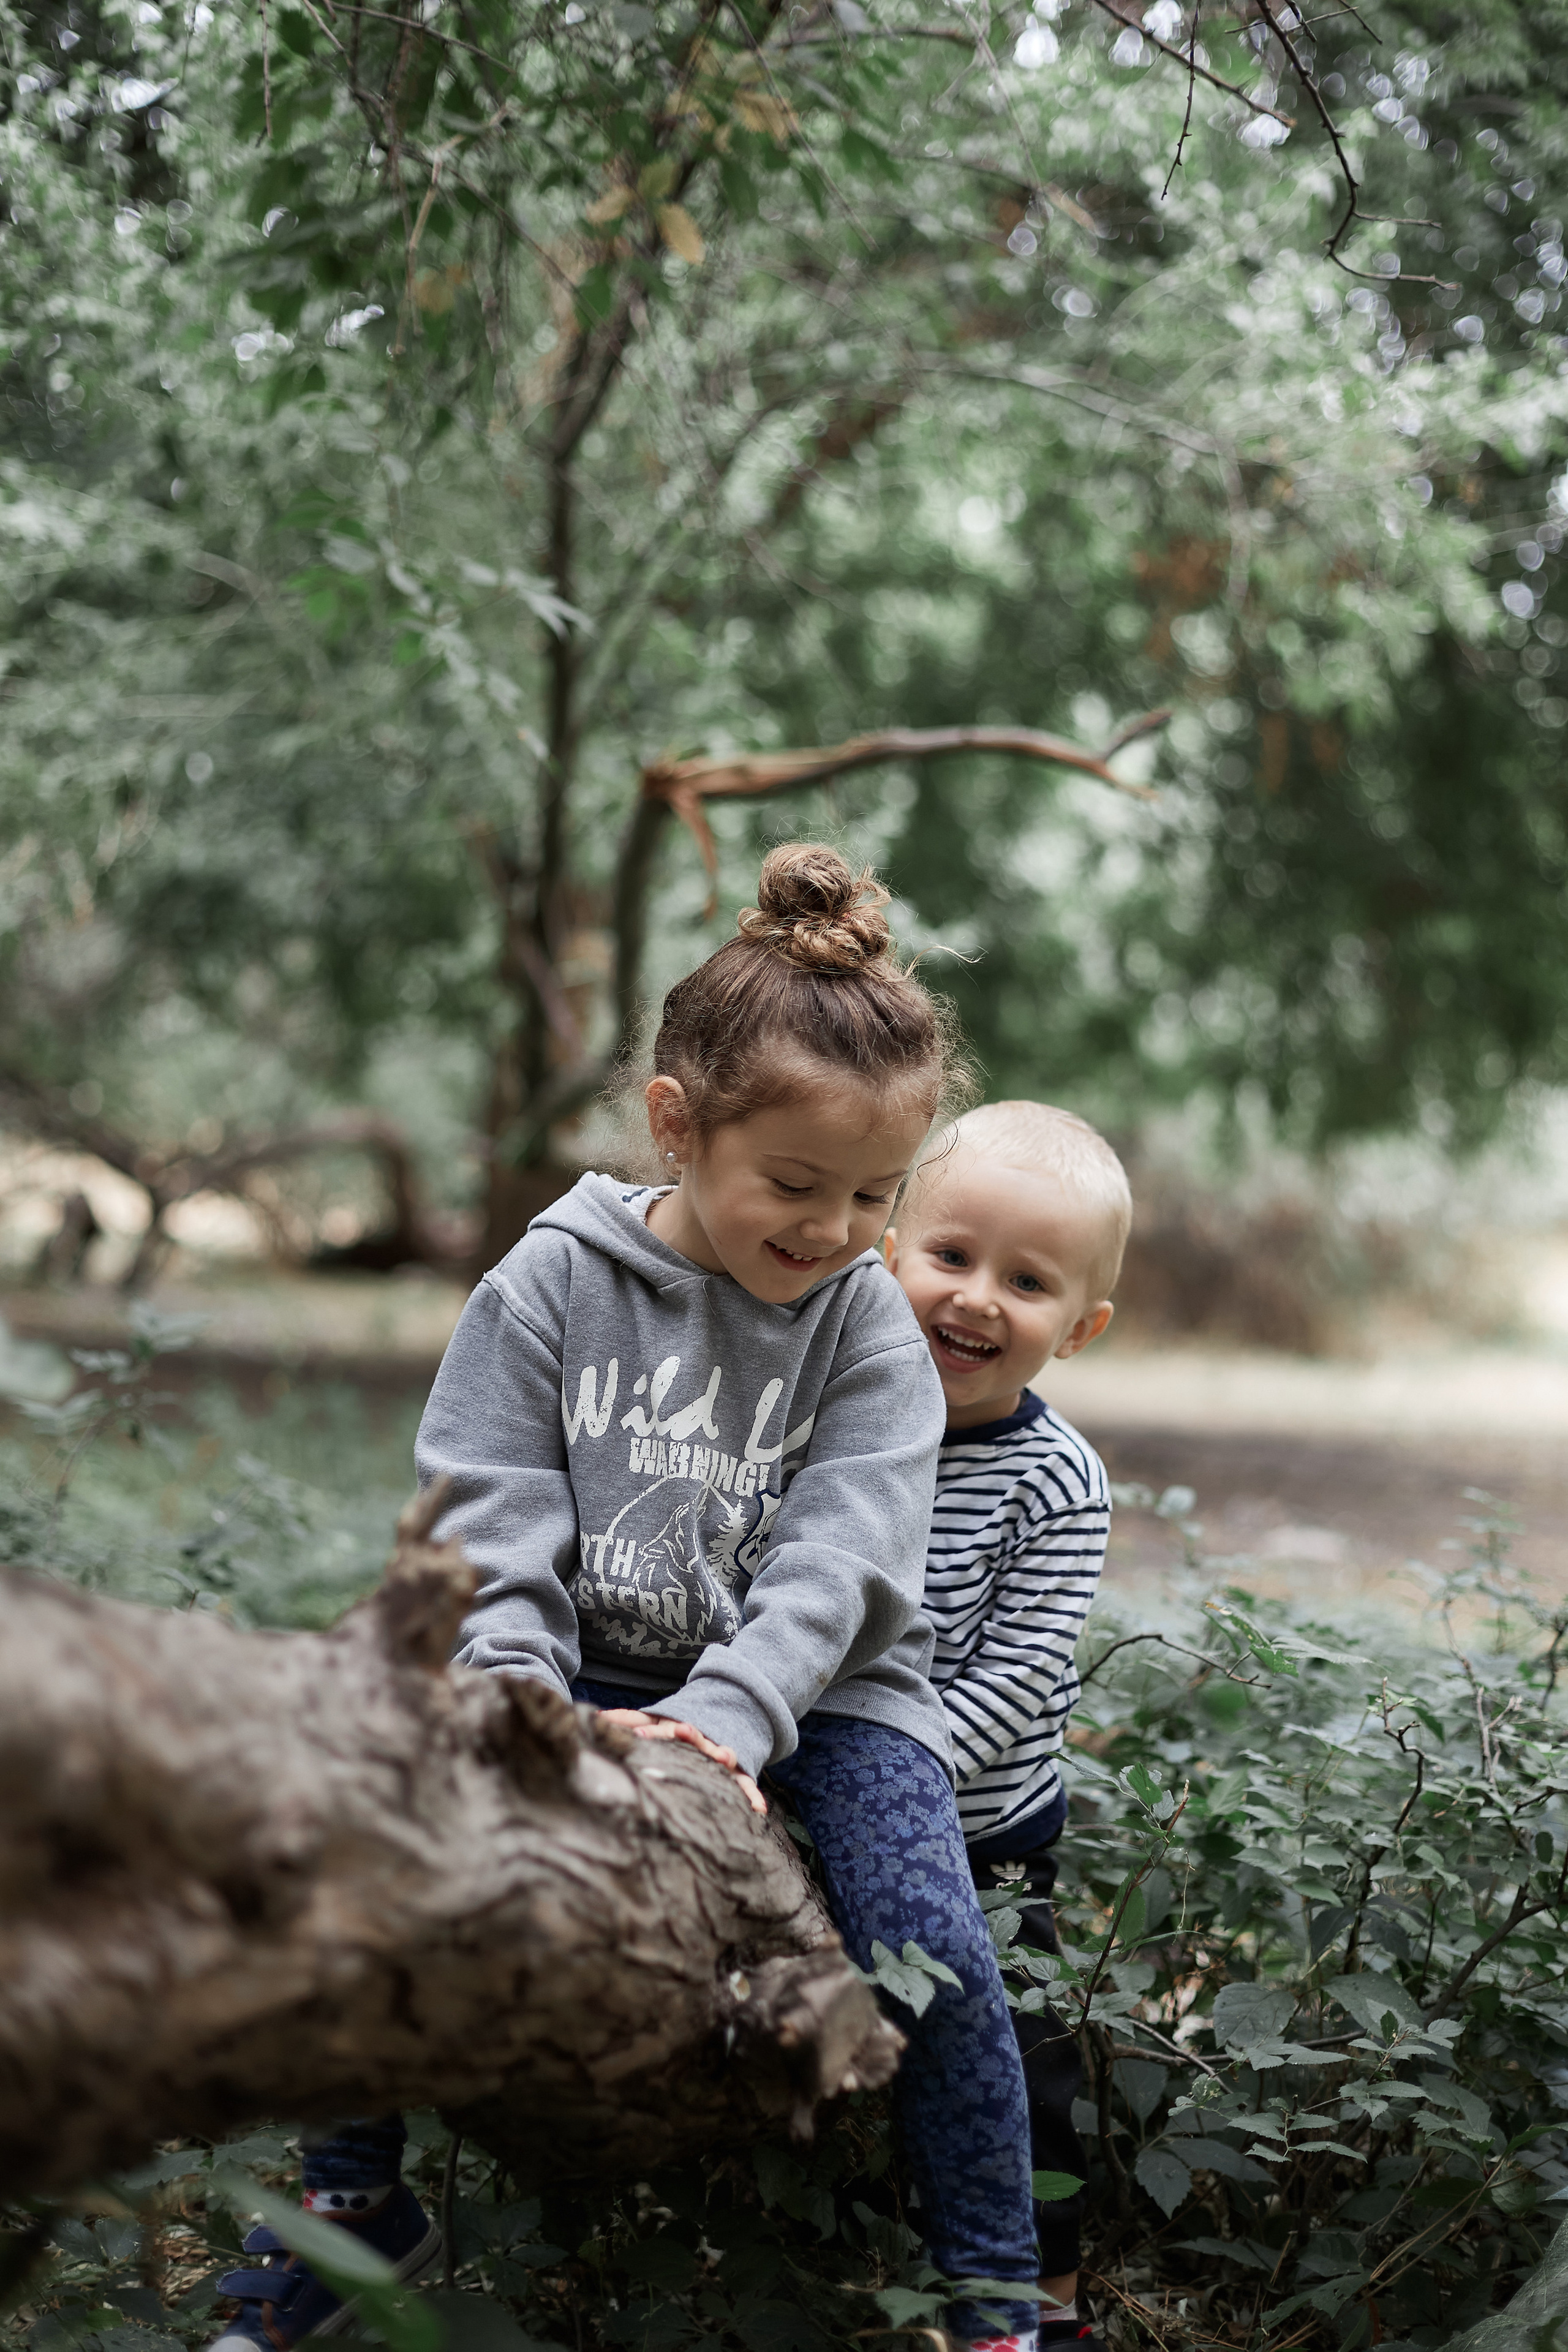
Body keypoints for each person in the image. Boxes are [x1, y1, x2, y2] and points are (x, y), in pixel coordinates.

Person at [208, 845, 1045, 2352]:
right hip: (579, 1657)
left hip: (821, 1693)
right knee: (365, 1819)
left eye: (874, 1194)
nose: (835, 1230)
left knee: (931, 1940)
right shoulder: (550, 1283)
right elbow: (489, 1517)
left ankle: (993, 2291)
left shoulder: (864, 1323)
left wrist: (729, 1718)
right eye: (793, 1185)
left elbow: (844, 1559)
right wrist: (521, 1702)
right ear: (675, 1125)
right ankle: (352, 2205)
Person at [884, 1102, 1130, 2352]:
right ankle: (865, 2251)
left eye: (1026, 1282)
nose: (976, 1298)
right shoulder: (840, 1410)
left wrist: (898, 1780)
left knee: (1014, 2059)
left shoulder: (1056, 1480)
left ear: (1078, 1328)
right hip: (821, 1800)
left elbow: (1022, 1673)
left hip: (985, 1834)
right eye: (950, 1255)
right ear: (888, 1253)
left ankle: (1043, 2299)